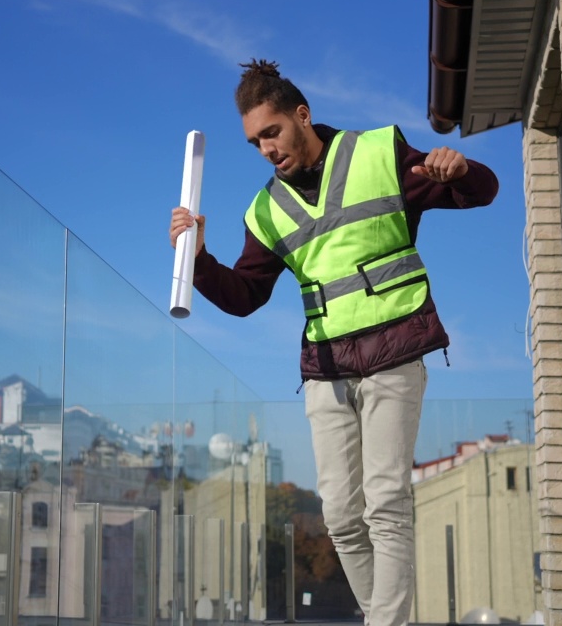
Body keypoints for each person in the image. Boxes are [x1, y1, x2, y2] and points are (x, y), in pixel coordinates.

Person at [168, 60, 498, 625]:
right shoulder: (265, 210)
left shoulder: (378, 154)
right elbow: (246, 295)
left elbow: (481, 191)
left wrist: (459, 169)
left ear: (302, 115)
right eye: (254, 143)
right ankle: (383, 617)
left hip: (396, 352)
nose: (266, 149)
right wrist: (198, 259)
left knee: (386, 501)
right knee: (344, 516)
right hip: (326, 368)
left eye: (271, 132)